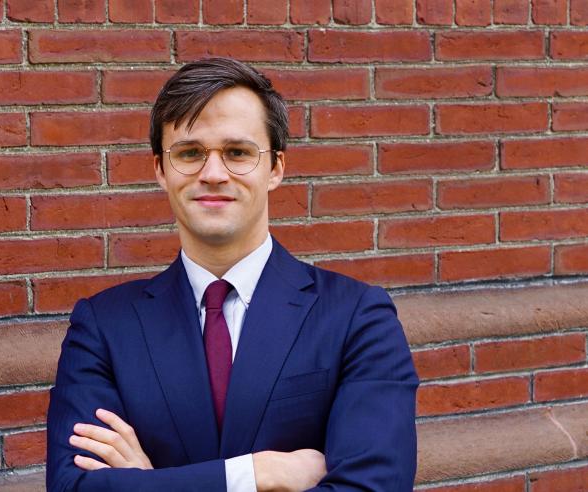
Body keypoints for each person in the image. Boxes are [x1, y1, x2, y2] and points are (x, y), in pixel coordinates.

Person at [46, 57, 419, 491]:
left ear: (275, 168)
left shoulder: (357, 317)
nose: (213, 173)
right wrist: (257, 474)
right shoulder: (104, 327)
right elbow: (73, 488)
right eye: (190, 153)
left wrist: (155, 484)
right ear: (160, 170)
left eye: (238, 153)